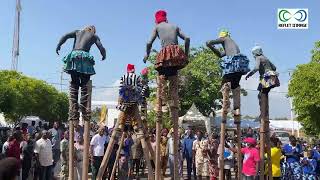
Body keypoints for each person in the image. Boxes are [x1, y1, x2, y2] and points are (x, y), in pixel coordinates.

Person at [56, 25, 106, 127]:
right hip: (84, 58)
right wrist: (103, 54)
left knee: (74, 85)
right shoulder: (94, 36)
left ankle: (74, 114)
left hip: (74, 56)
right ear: (93, 30)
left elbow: (65, 36)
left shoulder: (77, 32)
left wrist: (59, 45)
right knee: (84, 87)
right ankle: (84, 112)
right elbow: (101, 47)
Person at [206, 29, 249, 119]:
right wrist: (213, 48)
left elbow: (210, 42)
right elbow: (220, 55)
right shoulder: (232, 44)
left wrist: (209, 44)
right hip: (240, 66)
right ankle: (237, 108)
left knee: (224, 85)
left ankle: (227, 106)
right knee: (235, 86)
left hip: (233, 64)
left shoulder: (225, 39)